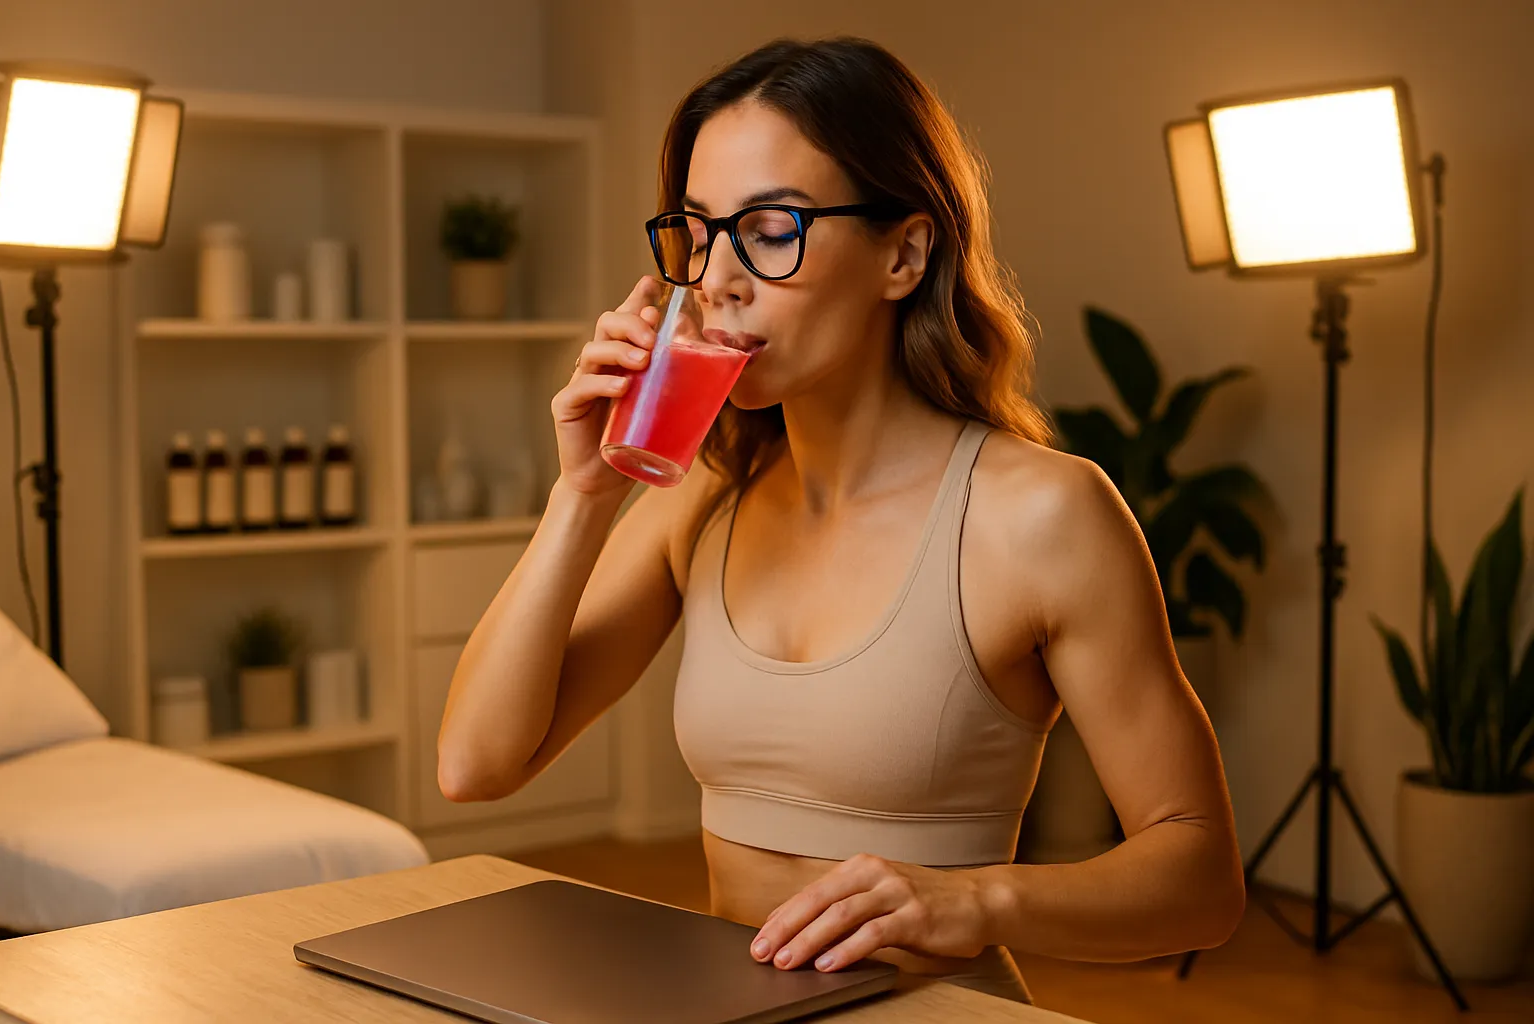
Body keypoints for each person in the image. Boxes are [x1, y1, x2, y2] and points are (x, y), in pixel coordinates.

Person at [437, 36, 1244, 1004]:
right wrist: (583, 495)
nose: (719, 279)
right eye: (701, 233)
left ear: (902, 253)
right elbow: (475, 765)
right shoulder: (700, 498)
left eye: (771, 229)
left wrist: (977, 901)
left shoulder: (1044, 516)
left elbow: (1201, 876)